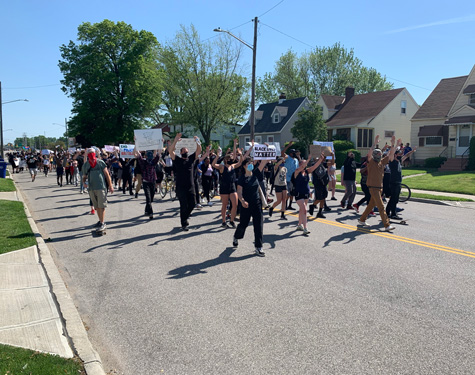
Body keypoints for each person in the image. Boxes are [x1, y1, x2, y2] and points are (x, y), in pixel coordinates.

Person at [232, 143, 267, 257]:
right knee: (243, 224)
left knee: (258, 225)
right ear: (244, 166)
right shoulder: (242, 179)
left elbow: (263, 162)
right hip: (246, 205)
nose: (251, 165)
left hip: (256, 203)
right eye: (249, 163)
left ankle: (258, 247)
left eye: (252, 163)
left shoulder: (256, 174)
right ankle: (236, 237)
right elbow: (239, 192)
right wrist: (242, 201)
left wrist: (265, 149)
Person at [358, 135, 397, 232]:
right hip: (373, 187)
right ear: (376, 156)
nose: (380, 156)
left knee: (371, 204)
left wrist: (392, 144)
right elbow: (369, 154)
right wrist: (374, 144)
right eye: (378, 155)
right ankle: (387, 225)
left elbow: (391, 155)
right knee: (381, 206)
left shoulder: (382, 162)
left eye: (380, 155)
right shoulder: (371, 163)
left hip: (379, 188)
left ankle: (362, 219)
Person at [168, 133, 201, 231]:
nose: (186, 150)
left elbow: (199, 150)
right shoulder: (177, 160)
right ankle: (184, 223)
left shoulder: (191, 159)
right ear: (181, 152)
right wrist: (175, 140)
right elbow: (170, 151)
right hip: (181, 187)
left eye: (186, 149)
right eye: (183, 149)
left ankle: (185, 218)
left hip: (190, 187)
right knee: (183, 205)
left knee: (192, 204)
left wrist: (198, 141)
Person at [82, 148, 114, 233]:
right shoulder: (86, 165)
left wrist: (110, 185)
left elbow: (107, 174)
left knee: (101, 206)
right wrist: (83, 183)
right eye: (89, 153)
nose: (91, 155)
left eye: (92, 153)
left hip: (101, 187)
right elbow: (84, 176)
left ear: (95, 154)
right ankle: (100, 221)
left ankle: (102, 223)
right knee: (96, 206)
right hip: (91, 188)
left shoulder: (100, 163)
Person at [212, 139, 242, 228]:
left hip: (232, 186)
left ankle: (232, 221)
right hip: (224, 187)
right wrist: (217, 156)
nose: (230, 159)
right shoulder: (222, 167)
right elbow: (213, 165)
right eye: (228, 158)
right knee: (224, 205)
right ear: (225, 160)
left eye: (231, 158)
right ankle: (224, 221)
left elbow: (240, 162)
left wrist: (239, 152)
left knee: (235, 204)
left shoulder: (233, 166)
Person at [292, 155, 324, 235]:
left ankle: (299, 225)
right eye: (304, 164)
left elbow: (314, 166)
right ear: (300, 165)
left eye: (306, 164)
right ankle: (305, 228)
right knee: (305, 210)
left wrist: (320, 159)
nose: (305, 165)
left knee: (302, 210)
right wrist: (309, 159)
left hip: (306, 193)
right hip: (298, 194)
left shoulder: (307, 171)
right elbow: (302, 166)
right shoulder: (296, 171)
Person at [134, 145, 161, 219]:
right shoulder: (142, 162)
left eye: (151, 155)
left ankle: (146, 210)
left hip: (152, 182)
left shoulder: (153, 162)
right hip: (146, 182)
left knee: (151, 199)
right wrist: (136, 144)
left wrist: (160, 144)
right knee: (148, 199)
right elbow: (136, 154)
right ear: (145, 156)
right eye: (148, 155)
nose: (150, 156)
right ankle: (150, 213)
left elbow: (158, 154)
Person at [309, 152, 332, 218]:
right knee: (320, 198)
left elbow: (332, 163)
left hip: (323, 183)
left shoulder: (323, 164)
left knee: (323, 198)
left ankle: (319, 212)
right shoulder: (314, 164)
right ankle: (313, 205)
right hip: (318, 183)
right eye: (322, 157)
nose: (323, 158)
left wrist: (332, 156)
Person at [281, 141, 299, 210]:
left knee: (292, 193)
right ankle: (285, 205)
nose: (294, 154)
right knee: (288, 193)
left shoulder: (296, 160)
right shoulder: (287, 157)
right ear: (290, 153)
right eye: (293, 152)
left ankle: (290, 205)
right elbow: (282, 153)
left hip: (294, 178)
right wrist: (288, 146)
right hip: (288, 178)